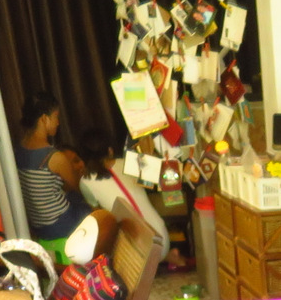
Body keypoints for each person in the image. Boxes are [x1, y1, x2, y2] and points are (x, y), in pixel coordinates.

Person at [75, 129, 186, 269]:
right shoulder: (130, 164)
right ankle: (167, 255)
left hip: (138, 248)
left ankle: (162, 258)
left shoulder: (85, 182)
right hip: (162, 236)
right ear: (110, 150)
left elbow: (100, 216)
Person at [14, 92, 96, 258]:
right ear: (44, 119)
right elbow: (78, 187)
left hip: (38, 225)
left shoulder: (18, 150)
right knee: (94, 208)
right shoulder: (54, 157)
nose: (58, 122)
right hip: (60, 223)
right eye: (56, 117)